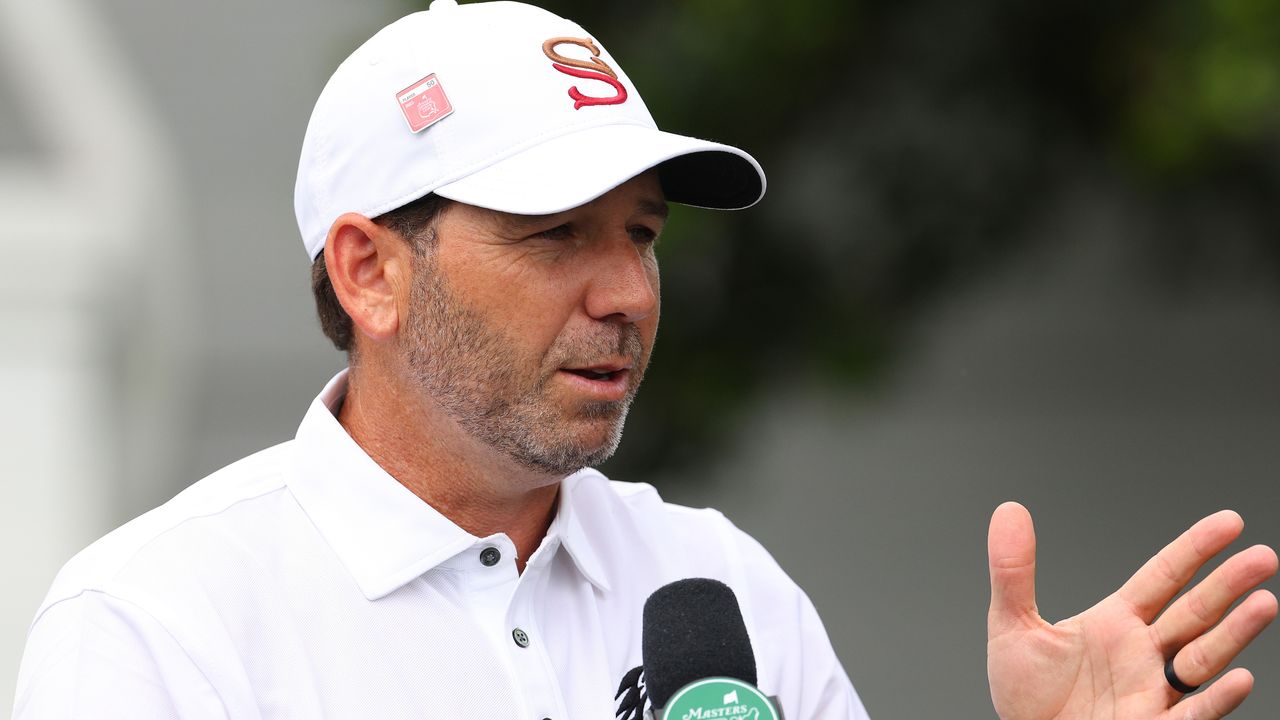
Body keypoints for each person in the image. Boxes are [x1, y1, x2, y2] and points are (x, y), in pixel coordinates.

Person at [12, 1, 1276, 719]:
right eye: (555, 236)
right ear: (369, 272)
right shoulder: (154, 626)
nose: (624, 292)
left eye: (640, 235)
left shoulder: (719, 587)